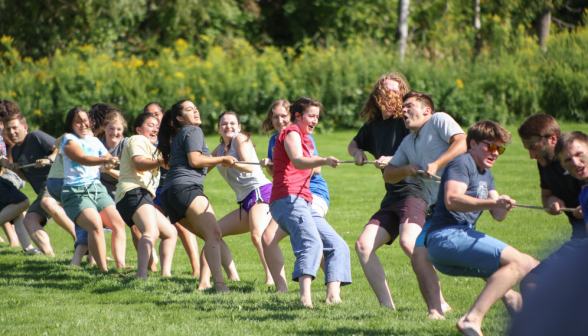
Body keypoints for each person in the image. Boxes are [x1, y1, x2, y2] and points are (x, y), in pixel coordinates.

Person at [425, 121, 539, 336]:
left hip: (457, 240)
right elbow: (452, 200)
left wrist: (503, 203)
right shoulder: (462, 163)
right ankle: (472, 319)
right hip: (446, 237)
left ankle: (518, 305)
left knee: (533, 265)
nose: (495, 153)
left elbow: (497, 215)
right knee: (520, 262)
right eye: (491, 146)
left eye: (500, 149)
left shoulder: (486, 174)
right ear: (473, 143)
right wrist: (494, 203)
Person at [349, 73, 437, 310]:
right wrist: (357, 152)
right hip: (391, 198)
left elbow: (414, 148)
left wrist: (392, 159)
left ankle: (439, 302)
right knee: (363, 246)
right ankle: (387, 307)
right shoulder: (372, 126)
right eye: (384, 91)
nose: (389, 96)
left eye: (395, 92)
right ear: (377, 95)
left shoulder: (406, 121)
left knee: (410, 244)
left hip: (415, 192)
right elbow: (353, 143)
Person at [383, 91, 466, 318]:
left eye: (410, 106)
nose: (404, 111)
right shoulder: (408, 142)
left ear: (426, 111)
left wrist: (437, 164)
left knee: (462, 255)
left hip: (458, 201)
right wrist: (405, 170)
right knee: (419, 253)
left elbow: (462, 142)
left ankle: (507, 284)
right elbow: (388, 175)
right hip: (438, 208)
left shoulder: (438, 119)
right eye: (403, 108)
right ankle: (436, 311)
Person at [269, 96, 351, 308]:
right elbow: (297, 160)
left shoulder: (305, 139)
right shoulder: (291, 133)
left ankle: (333, 296)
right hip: (287, 199)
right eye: (311, 116)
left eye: (317, 117)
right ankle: (305, 298)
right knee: (312, 243)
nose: (315, 120)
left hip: (303, 200)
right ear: (298, 116)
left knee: (338, 245)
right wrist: (324, 159)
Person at [157, 99, 236, 293]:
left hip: (170, 193)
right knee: (214, 234)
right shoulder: (193, 131)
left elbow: (198, 165)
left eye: (196, 107)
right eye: (189, 109)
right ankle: (220, 285)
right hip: (185, 189)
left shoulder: (180, 134)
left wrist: (217, 157)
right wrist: (223, 158)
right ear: (179, 117)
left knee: (211, 236)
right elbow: (195, 160)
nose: (196, 111)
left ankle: (207, 282)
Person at [260, 99, 331, 292]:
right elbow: (277, 173)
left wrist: (319, 161)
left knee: (309, 239)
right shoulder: (274, 140)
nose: (280, 120)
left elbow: (315, 169)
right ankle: (281, 288)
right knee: (269, 238)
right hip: (290, 193)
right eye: (275, 116)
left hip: (312, 192)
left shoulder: (300, 134)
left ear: (292, 116)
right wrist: (268, 165)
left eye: (284, 115)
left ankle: (333, 285)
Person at [518, 115, 587, 295]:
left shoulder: (579, 166)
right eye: (567, 161)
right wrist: (552, 201)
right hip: (580, 240)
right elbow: (546, 196)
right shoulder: (545, 163)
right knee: (531, 283)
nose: (531, 155)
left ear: (552, 139)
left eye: (533, 148)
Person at [203, 111, 273, 284]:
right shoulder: (219, 150)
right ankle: (233, 277)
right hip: (245, 201)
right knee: (214, 234)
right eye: (224, 124)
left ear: (239, 126)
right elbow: (202, 169)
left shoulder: (239, 139)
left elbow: (249, 167)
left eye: (232, 123)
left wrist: (232, 162)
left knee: (257, 236)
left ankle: (272, 279)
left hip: (260, 191)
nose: (228, 126)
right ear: (218, 128)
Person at [60, 107, 127, 271]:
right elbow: (82, 158)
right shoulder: (69, 140)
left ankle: (121, 266)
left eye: (85, 120)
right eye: (78, 121)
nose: (83, 124)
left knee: (118, 223)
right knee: (95, 224)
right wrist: (104, 161)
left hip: (97, 188)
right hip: (75, 191)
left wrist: (111, 160)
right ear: (71, 124)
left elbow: (107, 157)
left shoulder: (95, 140)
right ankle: (104, 270)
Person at [1, 113, 76, 256]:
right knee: (29, 220)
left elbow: (61, 147)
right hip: (43, 190)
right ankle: (50, 256)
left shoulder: (35, 136)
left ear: (25, 127)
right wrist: (18, 171)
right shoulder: (15, 151)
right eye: (8, 129)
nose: (12, 132)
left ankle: (80, 239)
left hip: (56, 182)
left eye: (15, 128)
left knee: (46, 203)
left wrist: (48, 158)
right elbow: (28, 179)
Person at [116, 112, 177, 278]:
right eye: (151, 125)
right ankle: (141, 275)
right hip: (133, 191)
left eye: (157, 126)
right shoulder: (137, 139)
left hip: (141, 195)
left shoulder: (154, 148)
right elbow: (139, 164)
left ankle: (165, 275)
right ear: (138, 129)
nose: (155, 128)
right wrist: (161, 161)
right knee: (151, 232)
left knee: (170, 232)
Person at [146, 102, 202, 278]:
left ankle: (197, 269)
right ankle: (157, 270)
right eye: (150, 115)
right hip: (156, 189)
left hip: (171, 187)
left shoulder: (181, 133)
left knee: (182, 227)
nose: (155, 117)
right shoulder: (148, 139)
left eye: (157, 113)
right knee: (151, 228)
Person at [554, 131, 588, 226]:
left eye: (579, 154)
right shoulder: (584, 196)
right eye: (568, 160)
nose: (575, 163)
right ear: (564, 167)